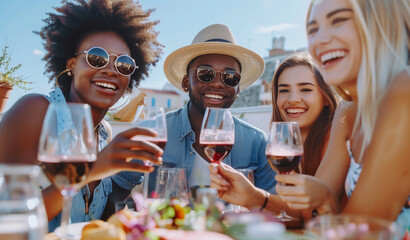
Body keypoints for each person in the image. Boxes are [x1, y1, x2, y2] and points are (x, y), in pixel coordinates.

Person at [0, 0, 163, 231]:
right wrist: (89, 172)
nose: (111, 69)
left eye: (124, 64)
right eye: (97, 57)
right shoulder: (36, 111)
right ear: (72, 63)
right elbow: (7, 222)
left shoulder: (103, 133)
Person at [276, 0, 410, 238]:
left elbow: (358, 231)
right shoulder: (349, 110)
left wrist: (326, 202)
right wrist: (324, 202)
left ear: (385, 23)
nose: (319, 40)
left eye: (338, 20)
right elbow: (317, 215)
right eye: (313, 30)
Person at [112, 24, 277, 196]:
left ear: (238, 89)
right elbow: (117, 189)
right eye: (205, 73)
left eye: (230, 77)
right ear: (186, 83)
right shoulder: (153, 132)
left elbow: (273, 206)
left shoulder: (257, 143)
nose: (218, 83)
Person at [209, 51, 337, 222]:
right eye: (284, 90)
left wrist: (254, 198)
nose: (293, 99)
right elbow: (295, 214)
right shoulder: (284, 147)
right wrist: (251, 197)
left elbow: (311, 216)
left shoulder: (335, 139)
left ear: (326, 97)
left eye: (305, 89)